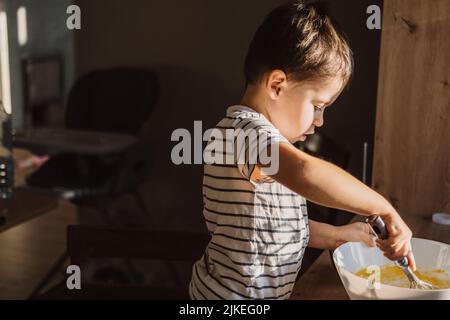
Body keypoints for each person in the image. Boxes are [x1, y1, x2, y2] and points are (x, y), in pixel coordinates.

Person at [189, 0, 414, 300]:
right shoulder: (244, 132)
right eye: (318, 106)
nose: (320, 121)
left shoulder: (259, 143)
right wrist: (382, 207)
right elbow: (305, 172)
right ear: (277, 85)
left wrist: (338, 236)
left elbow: (278, 227)